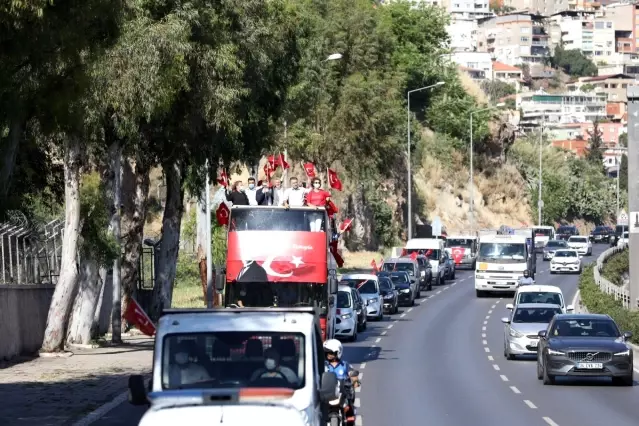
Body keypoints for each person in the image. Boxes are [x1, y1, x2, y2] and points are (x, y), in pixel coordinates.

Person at [324, 339, 359, 425]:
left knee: (349, 409)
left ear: (337, 353)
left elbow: (352, 373)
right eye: (327, 352)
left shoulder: (345, 365)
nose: (328, 355)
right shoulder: (324, 365)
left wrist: (355, 381)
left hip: (342, 393)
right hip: (328, 393)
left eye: (331, 353)